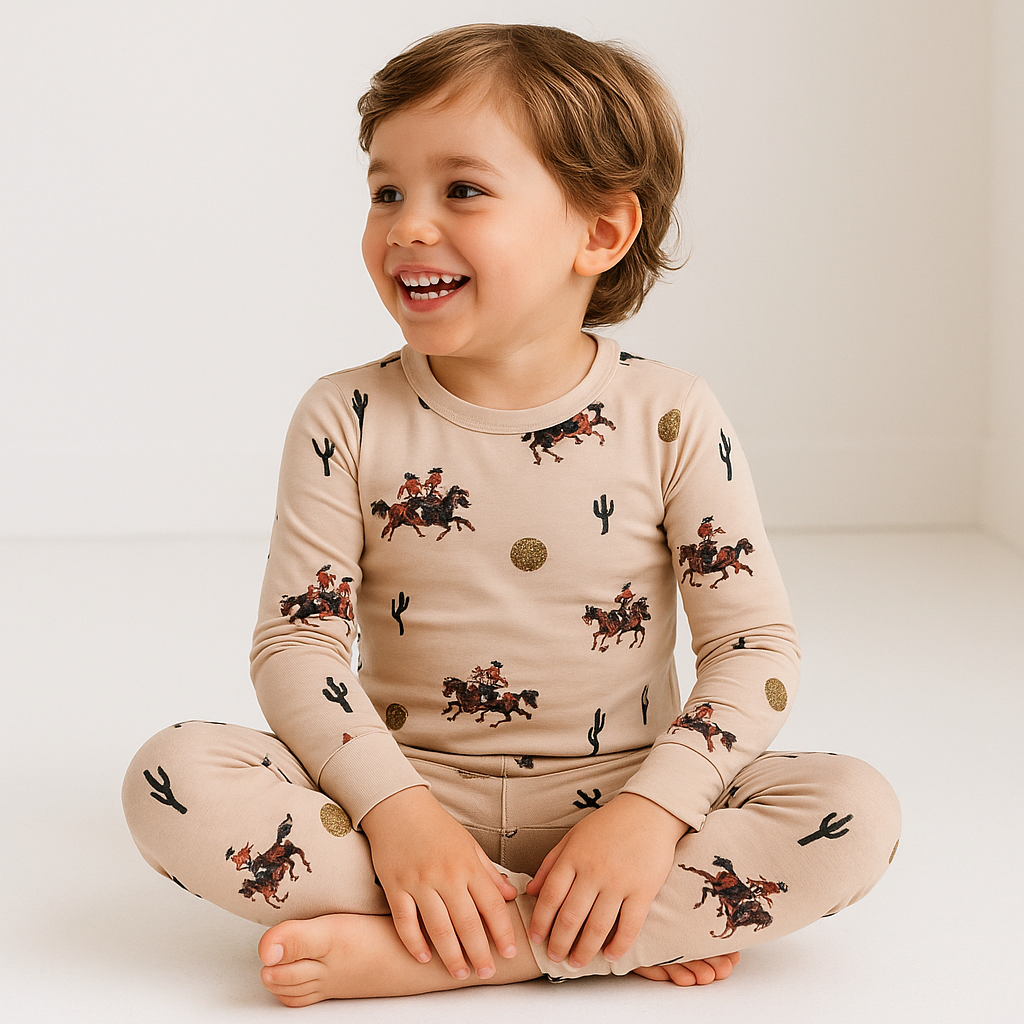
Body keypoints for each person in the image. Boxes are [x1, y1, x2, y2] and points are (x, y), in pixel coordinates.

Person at [122, 23, 900, 1006]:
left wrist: (653, 816)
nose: (406, 224)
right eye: (385, 190)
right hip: (397, 797)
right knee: (172, 775)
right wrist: (400, 817)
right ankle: (590, 931)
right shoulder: (344, 414)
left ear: (599, 233)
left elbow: (753, 647)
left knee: (854, 810)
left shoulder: (669, 415)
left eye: (462, 189)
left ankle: (454, 947)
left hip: (623, 804)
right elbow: (298, 645)